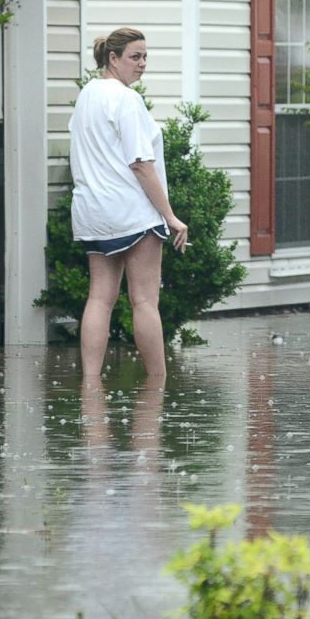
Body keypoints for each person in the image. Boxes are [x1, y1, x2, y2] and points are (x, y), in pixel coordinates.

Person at [70, 27, 189, 381]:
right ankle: (158, 383)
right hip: (133, 213)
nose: (142, 64)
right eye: (135, 57)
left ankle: (90, 385)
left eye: (145, 57)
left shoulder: (87, 95)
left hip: (92, 211)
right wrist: (170, 216)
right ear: (113, 58)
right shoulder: (126, 100)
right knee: (144, 301)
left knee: (100, 299)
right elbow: (140, 162)